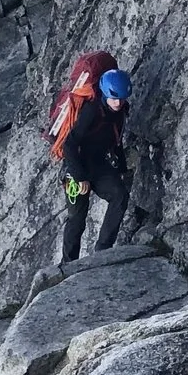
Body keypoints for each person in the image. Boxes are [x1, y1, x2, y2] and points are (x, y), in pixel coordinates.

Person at [60, 67, 132, 261]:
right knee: (77, 218)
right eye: (114, 98)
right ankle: (67, 265)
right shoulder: (91, 111)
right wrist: (79, 176)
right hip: (77, 166)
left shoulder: (121, 110)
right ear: (105, 94)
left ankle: (103, 250)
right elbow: (69, 145)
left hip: (98, 164)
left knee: (120, 196)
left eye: (122, 98)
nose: (118, 103)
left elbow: (116, 140)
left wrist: (122, 169)